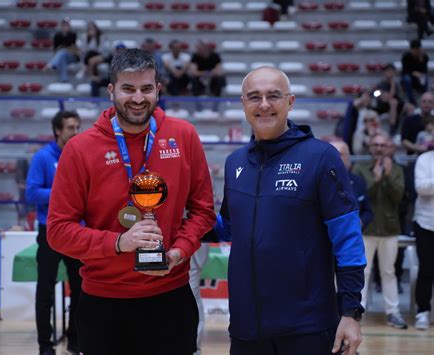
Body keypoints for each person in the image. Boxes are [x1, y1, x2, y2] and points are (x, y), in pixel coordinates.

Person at [46, 48, 216, 355]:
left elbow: (203, 210)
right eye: (128, 89)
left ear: (158, 89)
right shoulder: (80, 149)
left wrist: (179, 251)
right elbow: (58, 231)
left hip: (172, 296)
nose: (138, 98)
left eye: (146, 89)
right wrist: (118, 243)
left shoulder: (184, 135)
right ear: (111, 90)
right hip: (103, 303)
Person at [213, 67, 366, 355]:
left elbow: (348, 240)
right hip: (247, 329)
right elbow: (228, 227)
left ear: (291, 102)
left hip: (307, 329)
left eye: (274, 96)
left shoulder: (321, 156)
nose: (264, 105)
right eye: (254, 97)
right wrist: (176, 221)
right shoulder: (235, 163)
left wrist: (350, 312)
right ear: (243, 104)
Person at [25, 110, 82, 355]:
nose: (75, 132)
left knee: (81, 288)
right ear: (57, 130)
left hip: (77, 232)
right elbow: (31, 193)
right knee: (45, 290)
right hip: (49, 231)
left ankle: (75, 339)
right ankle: (45, 345)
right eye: (70, 127)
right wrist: (61, 192)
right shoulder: (43, 157)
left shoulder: (80, 156)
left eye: (77, 127)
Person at [352, 133, 408, 329]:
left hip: (390, 229)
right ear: (370, 147)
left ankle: (393, 312)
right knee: (363, 272)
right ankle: (358, 312)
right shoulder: (360, 169)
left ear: (388, 148)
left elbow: (399, 197)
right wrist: (376, 179)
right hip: (366, 229)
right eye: (375, 144)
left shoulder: (397, 169)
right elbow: (361, 197)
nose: (378, 148)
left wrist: (387, 177)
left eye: (382, 145)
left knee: (389, 272)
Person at [328, 140, 374, 231]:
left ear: (348, 157)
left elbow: (368, 211)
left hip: (351, 234)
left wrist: (360, 221)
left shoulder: (358, 181)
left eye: (340, 154)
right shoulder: (314, 180)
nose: (336, 157)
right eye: (332, 154)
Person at [413, 148, 434, 330]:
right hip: (426, 223)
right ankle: (423, 311)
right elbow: (421, 188)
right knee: (426, 270)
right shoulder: (424, 159)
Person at [373, 63, 406, 134]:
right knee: (393, 102)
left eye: (392, 71)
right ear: (384, 72)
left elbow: (400, 97)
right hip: (383, 106)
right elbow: (386, 98)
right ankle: (392, 132)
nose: (390, 73)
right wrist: (392, 84)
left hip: (397, 106)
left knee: (410, 107)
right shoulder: (380, 85)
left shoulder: (397, 85)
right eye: (388, 71)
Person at [45, 17, 80, 82]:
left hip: (72, 56)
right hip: (62, 56)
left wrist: (63, 46)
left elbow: (70, 45)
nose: (65, 27)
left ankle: (51, 64)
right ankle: (64, 79)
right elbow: (55, 48)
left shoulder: (73, 34)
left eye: (67, 25)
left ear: (70, 26)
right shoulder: (57, 35)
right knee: (62, 57)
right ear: (61, 26)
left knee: (63, 51)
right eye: (64, 25)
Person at [401, 39, 429, 105]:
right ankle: (412, 101)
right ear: (411, 49)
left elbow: (425, 71)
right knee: (407, 79)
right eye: (415, 49)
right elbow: (405, 70)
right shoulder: (406, 57)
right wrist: (413, 73)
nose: (416, 51)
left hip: (419, 76)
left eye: (418, 49)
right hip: (408, 75)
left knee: (425, 79)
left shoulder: (424, 57)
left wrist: (421, 61)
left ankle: (424, 98)